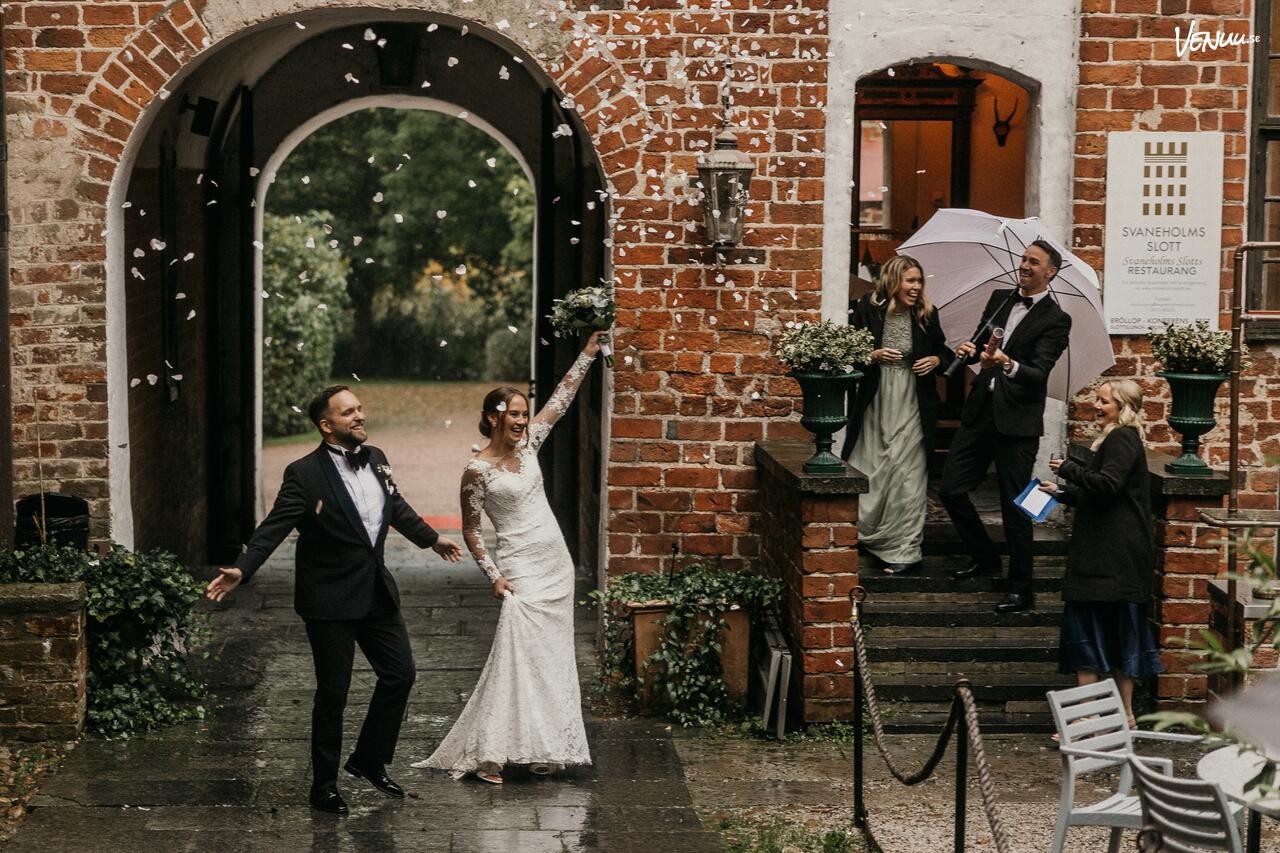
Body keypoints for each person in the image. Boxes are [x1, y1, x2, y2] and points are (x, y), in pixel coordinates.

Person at [205, 386, 464, 814]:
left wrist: (432, 539)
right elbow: (274, 526)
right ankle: (323, 786)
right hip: (329, 599)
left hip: (376, 590)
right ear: (326, 425)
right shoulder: (304, 473)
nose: (359, 416)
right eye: (348, 412)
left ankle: (369, 759)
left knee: (400, 674)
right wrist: (243, 568)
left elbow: (395, 505)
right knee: (333, 693)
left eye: (359, 408)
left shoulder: (376, 457)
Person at [416, 332, 602, 783]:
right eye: (513, 414)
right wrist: (493, 575)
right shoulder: (476, 471)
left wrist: (588, 354)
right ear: (492, 417)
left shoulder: (530, 444)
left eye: (523, 413)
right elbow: (471, 529)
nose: (521, 421)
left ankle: (544, 745)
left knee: (551, 656)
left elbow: (561, 400)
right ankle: (490, 753)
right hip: (519, 567)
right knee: (516, 653)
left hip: (555, 563)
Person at [940, 239, 1072, 614]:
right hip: (980, 412)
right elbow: (983, 343)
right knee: (950, 489)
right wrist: (970, 351)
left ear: (1051, 272)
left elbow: (1038, 373)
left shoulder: (1057, 319)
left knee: (1017, 505)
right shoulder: (1000, 298)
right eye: (1023, 259)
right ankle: (985, 557)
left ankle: (1021, 589)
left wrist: (1006, 363)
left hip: (1018, 423)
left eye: (1034, 262)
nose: (1024, 265)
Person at [1039, 380, 1162, 726]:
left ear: (1122, 407)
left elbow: (1109, 485)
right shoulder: (1117, 439)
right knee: (1114, 637)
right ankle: (1115, 716)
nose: (1096, 405)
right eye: (1097, 399)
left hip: (1111, 557)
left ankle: (1096, 717)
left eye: (1104, 401)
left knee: (1091, 638)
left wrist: (1068, 469)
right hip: (1109, 557)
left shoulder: (1121, 439)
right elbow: (1106, 494)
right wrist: (1062, 493)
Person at [841, 255, 952, 575]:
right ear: (893, 281)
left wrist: (935, 360)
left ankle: (904, 550)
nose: (916, 287)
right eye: (910, 281)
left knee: (908, 473)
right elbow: (849, 352)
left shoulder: (927, 313)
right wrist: (873, 354)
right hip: (876, 400)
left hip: (914, 400)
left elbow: (943, 353)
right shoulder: (866, 309)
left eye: (919, 281)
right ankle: (867, 536)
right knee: (871, 467)